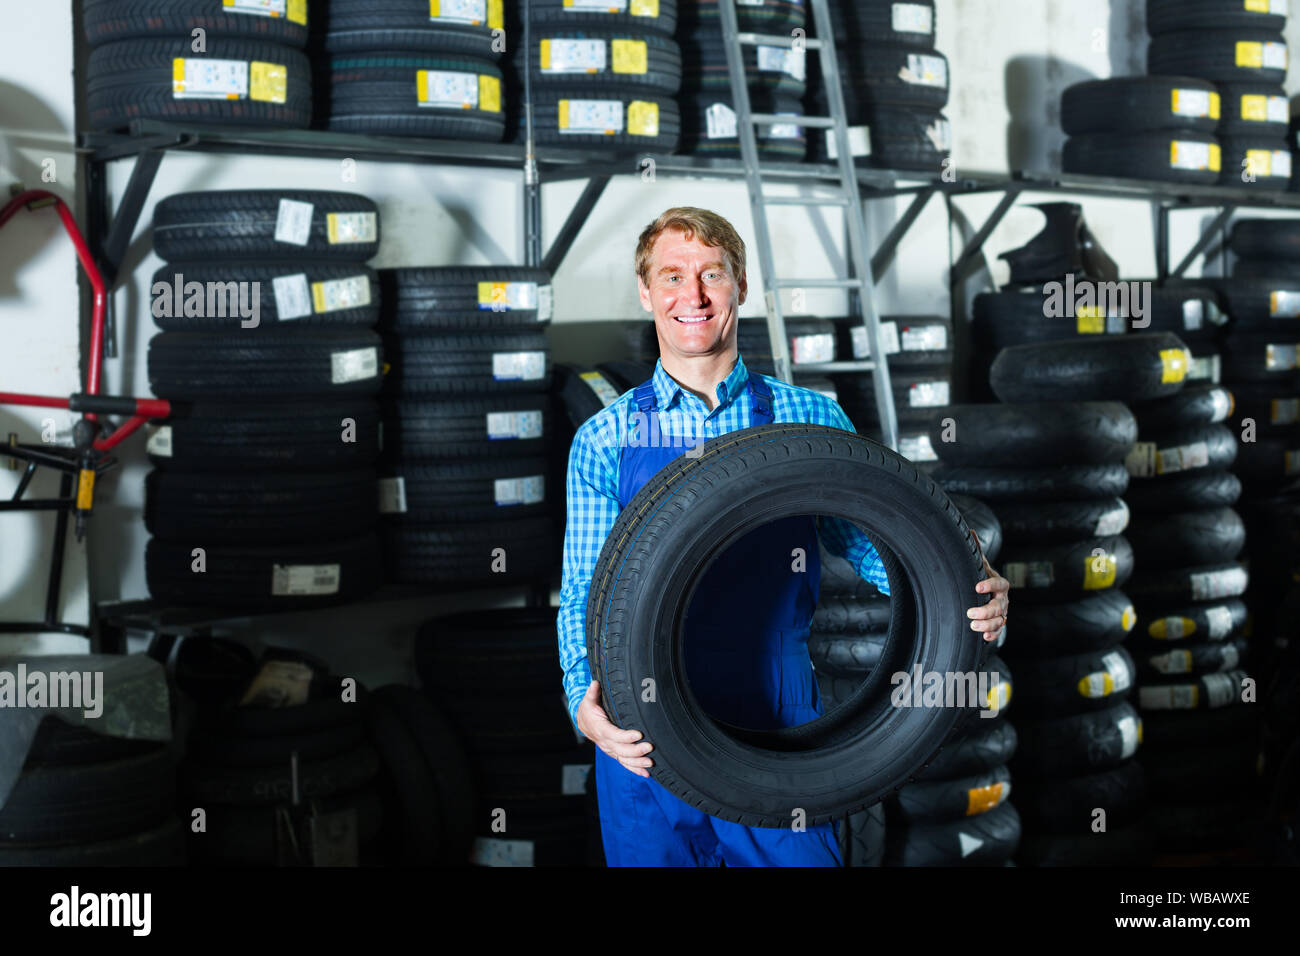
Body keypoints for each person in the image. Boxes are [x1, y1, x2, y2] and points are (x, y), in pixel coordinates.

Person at [556, 207, 1011, 867]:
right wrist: (581, 700)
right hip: (641, 718)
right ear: (647, 292)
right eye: (673, 277)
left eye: (713, 274)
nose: (695, 296)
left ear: (741, 285)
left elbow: (874, 542)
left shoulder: (809, 414)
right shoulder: (607, 437)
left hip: (778, 712)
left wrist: (969, 589)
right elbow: (582, 590)